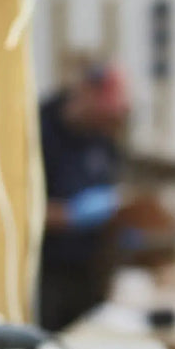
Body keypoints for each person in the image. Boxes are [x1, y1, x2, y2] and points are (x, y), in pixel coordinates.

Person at [38, 59, 129, 332]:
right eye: (104, 116)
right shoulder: (37, 130)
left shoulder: (103, 139)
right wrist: (71, 216)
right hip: (46, 272)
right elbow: (15, 210)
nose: (108, 125)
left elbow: (113, 189)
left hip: (88, 272)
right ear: (86, 94)